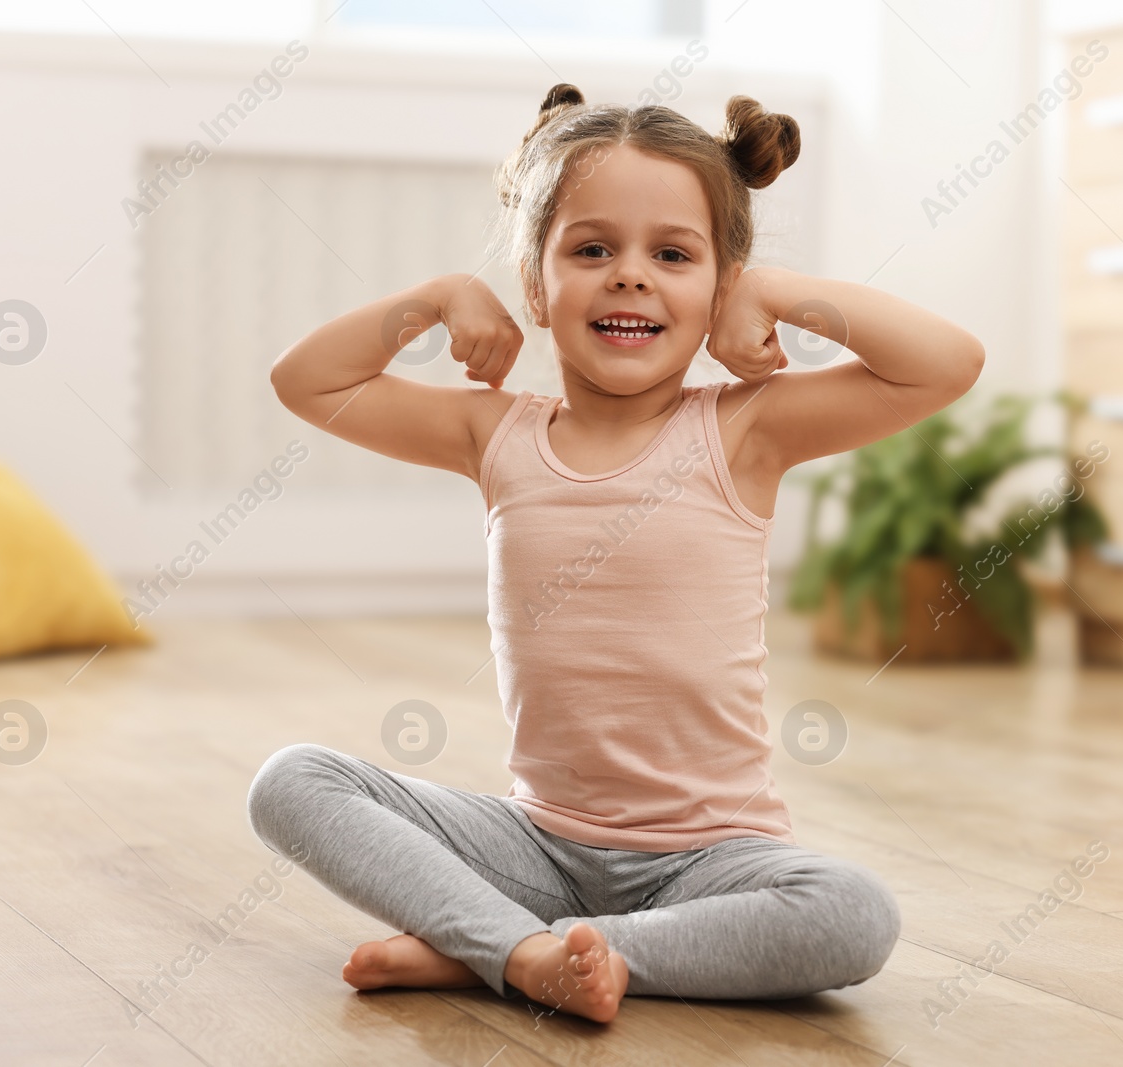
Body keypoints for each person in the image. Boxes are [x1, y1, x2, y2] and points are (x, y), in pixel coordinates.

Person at [249, 83, 984, 1024]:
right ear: (535, 286)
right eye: (591, 249)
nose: (629, 275)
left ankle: (502, 946)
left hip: (711, 860)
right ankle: (517, 943)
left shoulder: (746, 428)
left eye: (673, 254)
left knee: (854, 915)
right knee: (293, 782)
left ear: (719, 284)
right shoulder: (495, 435)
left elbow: (946, 361)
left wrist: (779, 295)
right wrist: (434, 300)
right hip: (536, 843)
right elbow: (305, 381)